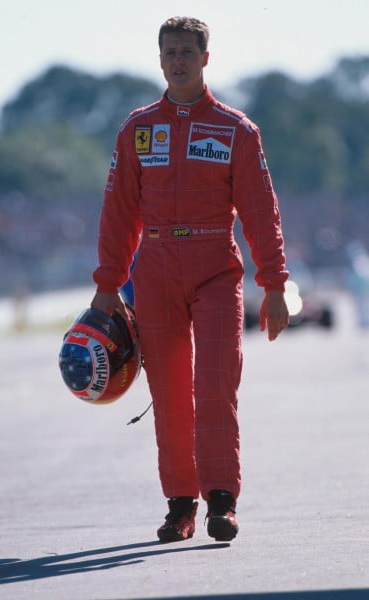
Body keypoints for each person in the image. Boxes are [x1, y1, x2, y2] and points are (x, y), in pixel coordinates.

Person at [91, 16, 289, 543]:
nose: (178, 59)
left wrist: (274, 284)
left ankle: (221, 501)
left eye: (187, 51)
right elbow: (118, 213)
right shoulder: (137, 129)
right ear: (160, 60)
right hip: (153, 267)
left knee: (216, 383)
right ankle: (180, 505)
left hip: (215, 268)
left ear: (206, 58)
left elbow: (261, 212)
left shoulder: (235, 130)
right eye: (169, 51)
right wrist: (108, 285)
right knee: (171, 390)